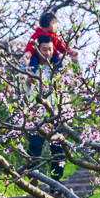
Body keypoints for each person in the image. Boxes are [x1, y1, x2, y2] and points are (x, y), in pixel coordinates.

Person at [23, 35, 66, 182]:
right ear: (37, 49)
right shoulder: (32, 65)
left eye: (50, 49)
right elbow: (25, 81)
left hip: (57, 114)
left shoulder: (59, 66)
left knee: (58, 150)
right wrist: (26, 65)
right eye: (44, 49)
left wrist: (75, 61)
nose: (47, 53)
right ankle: (33, 180)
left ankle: (56, 184)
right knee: (34, 148)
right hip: (37, 114)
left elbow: (75, 80)